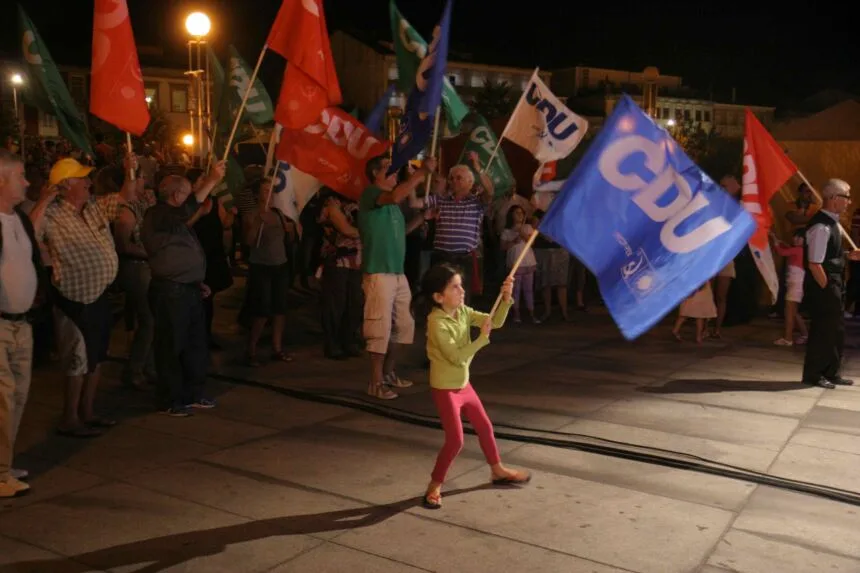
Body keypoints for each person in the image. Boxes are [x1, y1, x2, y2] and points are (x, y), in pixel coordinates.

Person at [419, 264, 530, 510]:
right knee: (455, 441)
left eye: (461, 285)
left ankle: (497, 470)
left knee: (485, 427)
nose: (462, 291)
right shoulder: (437, 323)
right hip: (445, 389)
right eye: (454, 287)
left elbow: (495, 322)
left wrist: (506, 298)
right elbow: (456, 358)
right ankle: (434, 485)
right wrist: (482, 339)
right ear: (438, 297)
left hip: (463, 385)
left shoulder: (463, 311)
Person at [140, 162, 226, 416]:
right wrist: (210, 181)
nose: (192, 200)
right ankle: (169, 398)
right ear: (177, 195)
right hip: (171, 291)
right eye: (188, 194)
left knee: (194, 344)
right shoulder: (158, 215)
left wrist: (195, 280)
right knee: (171, 345)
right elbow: (185, 213)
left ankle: (192, 393)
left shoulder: (173, 219)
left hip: (187, 289)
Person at [358, 155, 437, 400]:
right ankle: (375, 382)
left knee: (404, 327)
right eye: (388, 169)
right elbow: (394, 196)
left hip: (397, 272)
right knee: (379, 329)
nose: (394, 173)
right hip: (379, 272)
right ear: (375, 174)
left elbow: (401, 232)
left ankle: (388, 373)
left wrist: (422, 218)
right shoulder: (371, 194)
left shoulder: (393, 205)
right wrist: (422, 173)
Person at [0, 150, 41, 497]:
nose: (27, 182)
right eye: (20, 176)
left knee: (18, 397)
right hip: (1, 325)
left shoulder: (21, 219)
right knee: (3, 399)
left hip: (22, 323)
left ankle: (4, 462)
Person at [802, 178, 860, 389]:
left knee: (836, 330)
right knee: (823, 331)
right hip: (826, 285)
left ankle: (831, 371)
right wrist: (827, 288)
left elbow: (827, 255)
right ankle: (815, 374)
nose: (849, 201)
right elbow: (814, 263)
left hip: (835, 283)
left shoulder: (833, 223)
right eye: (846, 197)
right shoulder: (821, 226)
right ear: (834, 198)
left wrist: (846, 256)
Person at [772, 230, 808, 346]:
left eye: (799, 237)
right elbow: (789, 249)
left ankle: (788, 338)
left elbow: (782, 252)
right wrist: (782, 243)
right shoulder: (803, 250)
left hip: (795, 285)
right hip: (797, 285)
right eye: (795, 237)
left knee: (789, 312)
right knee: (794, 312)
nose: (796, 239)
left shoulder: (798, 250)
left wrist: (776, 242)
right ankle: (804, 334)